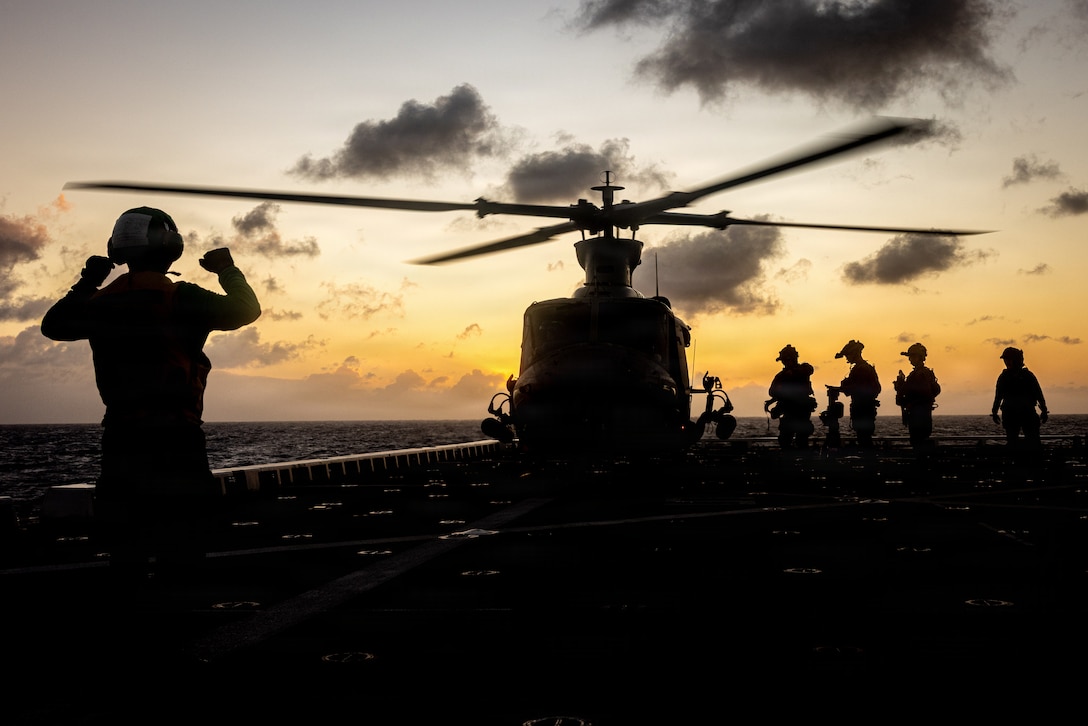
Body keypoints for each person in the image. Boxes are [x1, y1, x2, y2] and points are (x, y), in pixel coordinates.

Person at [41, 206, 261, 578]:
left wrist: (87, 282)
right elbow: (246, 309)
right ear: (170, 246)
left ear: (119, 251)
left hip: (122, 437)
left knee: (126, 543)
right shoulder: (181, 296)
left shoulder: (100, 302)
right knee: (185, 540)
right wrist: (227, 269)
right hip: (177, 435)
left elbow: (54, 325)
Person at [991, 347, 1048, 451]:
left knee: (1033, 442)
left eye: (1009, 359)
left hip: (1027, 413)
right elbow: (998, 396)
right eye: (1006, 359)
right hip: (1011, 414)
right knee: (1013, 442)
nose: (1007, 362)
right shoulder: (1004, 377)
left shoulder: (1028, 376)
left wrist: (1044, 410)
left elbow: (1038, 394)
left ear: (1017, 360)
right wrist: (994, 412)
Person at [765, 344, 817, 449]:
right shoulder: (781, 376)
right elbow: (772, 391)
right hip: (789, 412)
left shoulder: (803, 370)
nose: (784, 363)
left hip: (801, 412)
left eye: (786, 360)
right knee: (785, 439)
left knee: (801, 440)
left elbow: (809, 369)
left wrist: (792, 373)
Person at [831, 339, 881, 448]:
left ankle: (868, 461)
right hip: (864, 409)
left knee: (864, 438)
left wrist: (841, 389)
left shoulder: (861, 369)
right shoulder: (862, 368)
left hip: (863, 409)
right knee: (863, 437)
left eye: (848, 355)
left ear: (854, 354)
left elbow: (857, 388)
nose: (847, 358)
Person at [893, 343, 942, 451]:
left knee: (918, 442)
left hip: (918, 416)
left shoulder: (919, 374)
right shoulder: (922, 373)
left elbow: (922, 394)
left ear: (919, 357)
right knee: (919, 441)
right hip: (922, 415)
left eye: (912, 356)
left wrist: (902, 389)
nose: (910, 359)